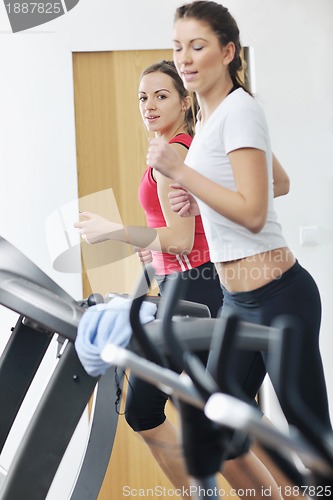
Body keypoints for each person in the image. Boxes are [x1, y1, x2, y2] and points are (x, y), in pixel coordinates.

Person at [74, 60, 290, 498]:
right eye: (142, 97)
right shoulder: (181, 148)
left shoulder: (178, 152)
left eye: (161, 95)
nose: (148, 105)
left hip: (198, 287)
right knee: (222, 406)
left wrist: (114, 230)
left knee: (150, 409)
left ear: (184, 100)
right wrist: (152, 247)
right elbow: (179, 235)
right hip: (197, 284)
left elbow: (179, 237)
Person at [146, 0, 332, 495]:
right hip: (237, 303)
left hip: (279, 298)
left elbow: (253, 211)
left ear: (228, 52)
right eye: (177, 46)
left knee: (313, 443)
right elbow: (280, 183)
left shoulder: (241, 111)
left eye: (198, 46)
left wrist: (183, 173)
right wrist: (198, 193)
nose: (184, 57)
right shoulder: (209, 120)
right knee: (216, 431)